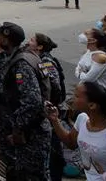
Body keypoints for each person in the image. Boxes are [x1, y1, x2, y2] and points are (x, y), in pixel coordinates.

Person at [0, 22, 51, 180]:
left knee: (30, 176)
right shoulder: (28, 55)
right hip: (31, 133)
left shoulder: (21, 64)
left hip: (30, 137)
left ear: (5, 40)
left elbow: (33, 102)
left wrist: (17, 131)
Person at [46, 81, 106, 181]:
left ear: (92, 105)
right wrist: (55, 120)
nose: (73, 98)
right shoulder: (82, 119)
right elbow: (71, 142)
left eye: (77, 96)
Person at [30, 33, 68, 180]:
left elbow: (55, 86)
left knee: (53, 148)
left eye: (32, 40)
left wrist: (49, 103)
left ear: (40, 46)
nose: (29, 42)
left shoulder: (45, 62)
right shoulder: (41, 59)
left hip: (52, 111)